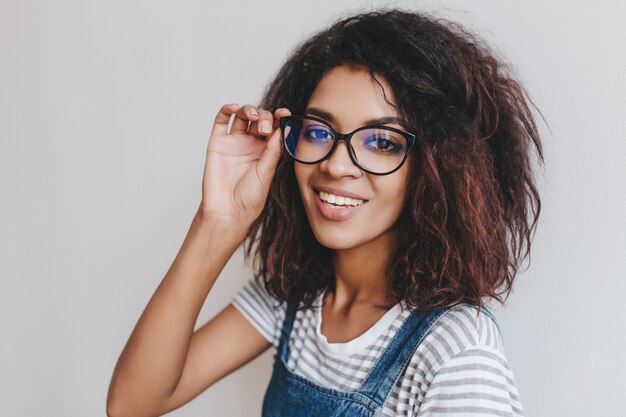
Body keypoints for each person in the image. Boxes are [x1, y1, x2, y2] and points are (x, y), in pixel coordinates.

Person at [107, 8, 543, 417]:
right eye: (318, 131)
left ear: (437, 168)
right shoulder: (294, 299)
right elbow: (132, 402)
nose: (335, 164)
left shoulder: (455, 350)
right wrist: (218, 222)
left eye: (382, 142)